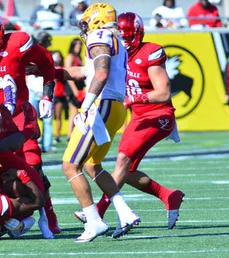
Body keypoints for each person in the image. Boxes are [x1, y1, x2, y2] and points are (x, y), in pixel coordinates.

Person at [76, 12, 185, 230]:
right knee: (128, 171)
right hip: (137, 116)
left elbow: (163, 93)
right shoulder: (115, 53)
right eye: (120, 36)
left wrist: (135, 97)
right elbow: (90, 72)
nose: (123, 41)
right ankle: (167, 195)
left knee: (122, 161)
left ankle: (98, 212)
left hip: (157, 115)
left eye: (128, 36)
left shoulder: (149, 52)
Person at [0, 11, 61, 234]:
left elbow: (46, 61)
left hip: (17, 112)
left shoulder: (18, 42)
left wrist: (48, 94)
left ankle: (48, 213)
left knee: (34, 163)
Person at [62, 2, 140, 242]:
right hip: (115, 107)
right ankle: (125, 212)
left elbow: (101, 73)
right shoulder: (116, 41)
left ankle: (94, 220)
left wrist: (85, 107)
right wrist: (48, 71)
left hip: (102, 105)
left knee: (70, 165)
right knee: (91, 165)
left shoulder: (99, 35)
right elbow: (84, 72)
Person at [64, 38, 85, 140]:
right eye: (76, 45)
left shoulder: (79, 57)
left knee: (78, 111)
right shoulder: (70, 57)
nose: (79, 47)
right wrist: (75, 90)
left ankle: (75, 133)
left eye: (79, 45)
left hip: (79, 86)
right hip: (72, 87)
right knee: (73, 111)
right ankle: (69, 134)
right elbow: (68, 75)